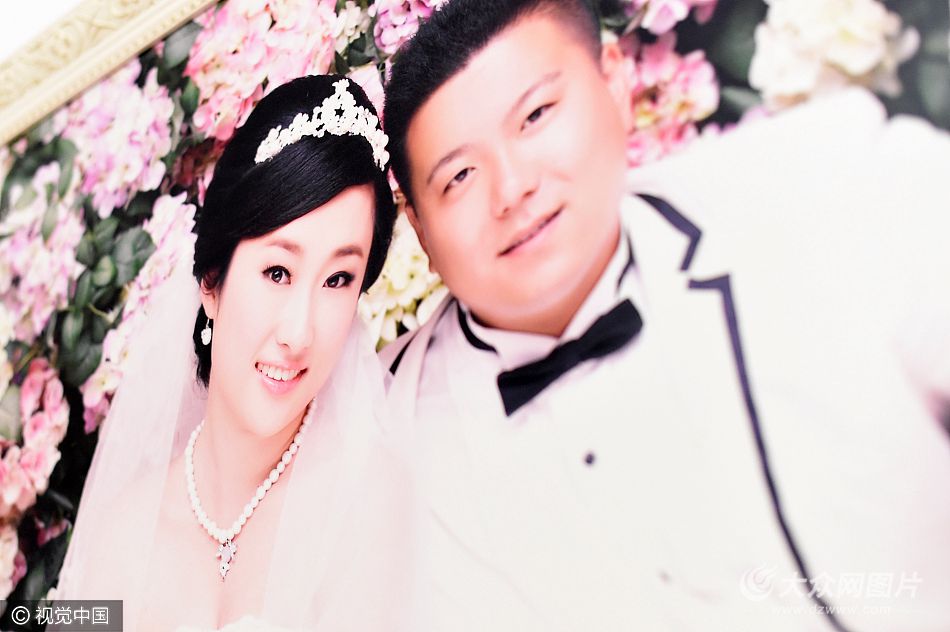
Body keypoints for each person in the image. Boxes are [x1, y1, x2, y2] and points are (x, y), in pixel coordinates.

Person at [380, 0, 950, 630]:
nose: (512, 189)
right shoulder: (376, 438)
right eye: (460, 176)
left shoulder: (828, 189)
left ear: (616, 82)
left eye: (536, 116)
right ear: (419, 227)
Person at [56, 74, 409, 631]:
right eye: (278, 272)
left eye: (338, 279)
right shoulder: (119, 533)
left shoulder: (371, 508)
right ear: (211, 281)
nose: (299, 333)